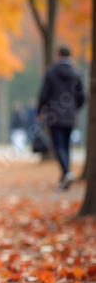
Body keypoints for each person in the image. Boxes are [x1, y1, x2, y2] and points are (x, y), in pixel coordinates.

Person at [37, 46, 86, 190]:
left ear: (58, 55)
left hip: (54, 115)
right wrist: (74, 108)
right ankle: (65, 175)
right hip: (70, 116)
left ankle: (66, 173)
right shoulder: (77, 73)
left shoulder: (51, 72)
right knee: (66, 146)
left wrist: (40, 110)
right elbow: (82, 96)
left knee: (58, 146)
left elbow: (44, 94)